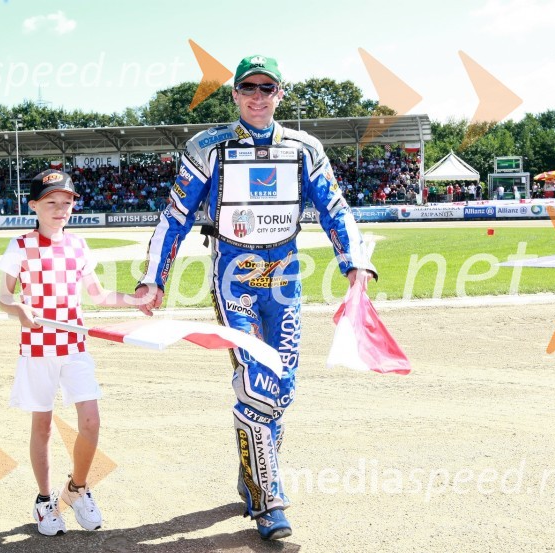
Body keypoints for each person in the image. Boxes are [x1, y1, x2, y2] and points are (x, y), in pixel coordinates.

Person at [134, 54, 376, 541]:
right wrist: (154, 278)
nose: (259, 96)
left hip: (283, 279)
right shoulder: (207, 147)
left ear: (280, 94)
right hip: (233, 277)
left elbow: (334, 206)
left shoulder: (304, 148)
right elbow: (175, 214)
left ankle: (253, 476)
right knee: (256, 380)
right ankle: (269, 500)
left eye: (268, 88)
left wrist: (355, 261)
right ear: (235, 94)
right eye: (250, 87)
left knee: (282, 386)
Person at [0, 169, 138, 537]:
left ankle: (76, 489)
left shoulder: (78, 246)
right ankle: (45, 500)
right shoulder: (20, 246)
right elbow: (4, 296)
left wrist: (134, 300)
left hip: (75, 346)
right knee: (42, 426)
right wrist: (18, 310)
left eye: (67, 202)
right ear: (34, 206)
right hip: (37, 349)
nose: (61, 209)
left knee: (91, 421)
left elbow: (100, 295)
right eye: (51, 203)